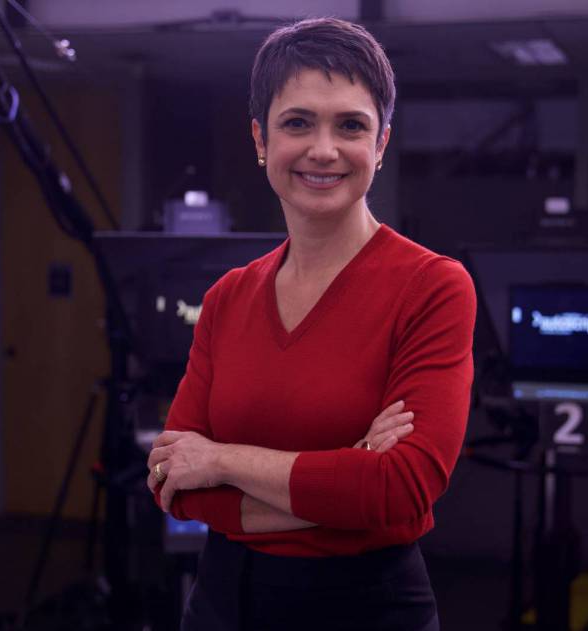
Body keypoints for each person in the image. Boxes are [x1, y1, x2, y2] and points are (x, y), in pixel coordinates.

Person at [146, 17, 476, 631]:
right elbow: (175, 484)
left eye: (351, 125)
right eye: (297, 122)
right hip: (224, 602)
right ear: (260, 137)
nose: (324, 149)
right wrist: (347, 477)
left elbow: (401, 490)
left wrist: (222, 460)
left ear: (380, 143)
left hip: (366, 606)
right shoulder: (226, 298)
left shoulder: (432, 286)